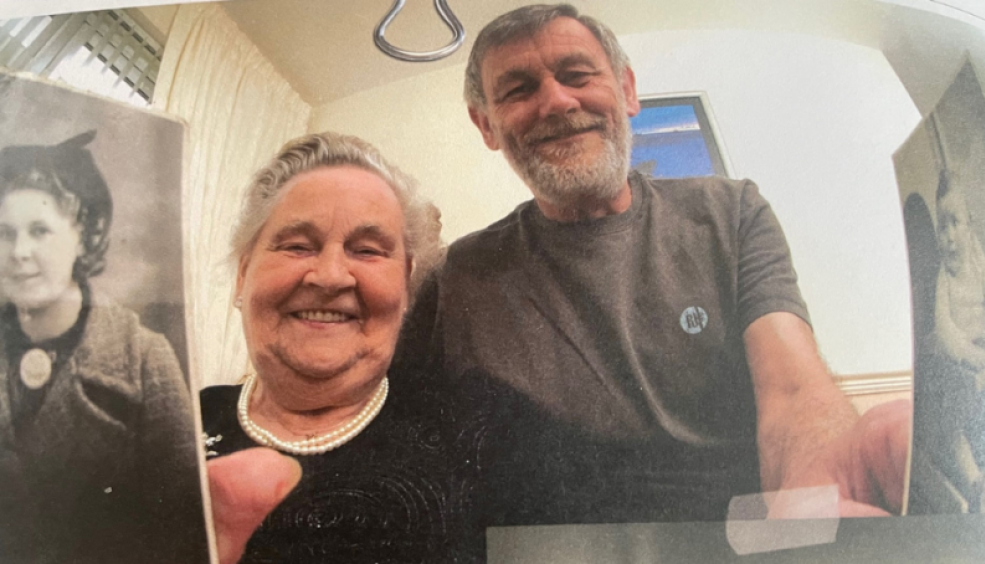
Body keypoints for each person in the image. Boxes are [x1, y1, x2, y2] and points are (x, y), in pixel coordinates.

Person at [207, 4, 911, 558]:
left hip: (739, 541)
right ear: (486, 125)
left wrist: (814, 499)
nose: (553, 101)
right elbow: (365, 407)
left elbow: (791, 386)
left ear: (627, 90)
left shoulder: (729, 213)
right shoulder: (454, 274)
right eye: (517, 89)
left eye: (577, 73)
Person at [199, 132, 475, 564]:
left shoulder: (467, 442)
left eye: (367, 250)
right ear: (243, 274)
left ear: (406, 286)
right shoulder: (167, 427)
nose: (329, 276)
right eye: (297, 246)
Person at [0, 132, 207, 563]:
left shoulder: (143, 358)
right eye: (4, 233)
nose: (18, 252)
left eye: (39, 230)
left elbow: (183, 531)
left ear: (84, 234)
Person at [928, 169, 985, 510]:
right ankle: (975, 481)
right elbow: (944, 329)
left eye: (955, 223)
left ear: (970, 226)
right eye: (942, 226)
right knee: (952, 425)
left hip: (983, 365)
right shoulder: (945, 278)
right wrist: (968, 353)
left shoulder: (981, 270)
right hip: (957, 366)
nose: (949, 236)